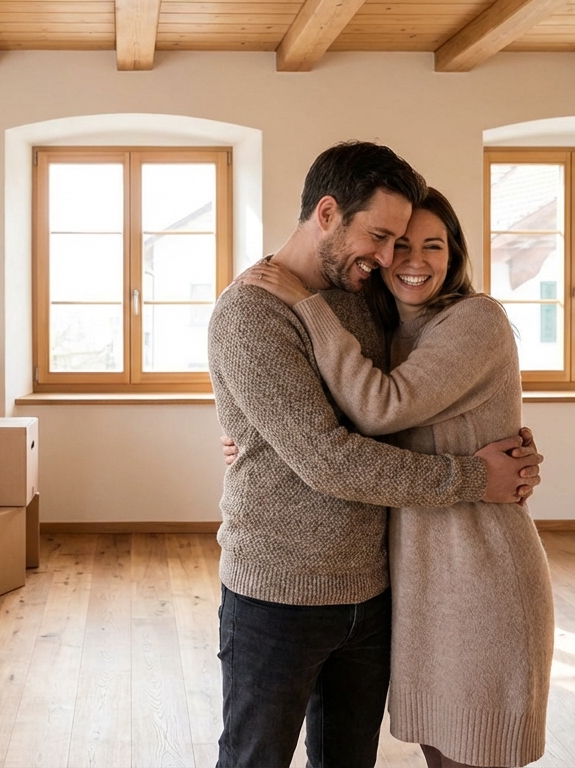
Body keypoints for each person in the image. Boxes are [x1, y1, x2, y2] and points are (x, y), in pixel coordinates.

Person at [206, 141, 543, 768]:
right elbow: (327, 459)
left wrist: (505, 441)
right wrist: (475, 477)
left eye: (404, 242)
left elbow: (409, 403)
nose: (389, 258)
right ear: (327, 214)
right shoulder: (251, 311)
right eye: (382, 237)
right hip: (280, 594)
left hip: (373, 589)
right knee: (255, 759)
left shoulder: (366, 298)